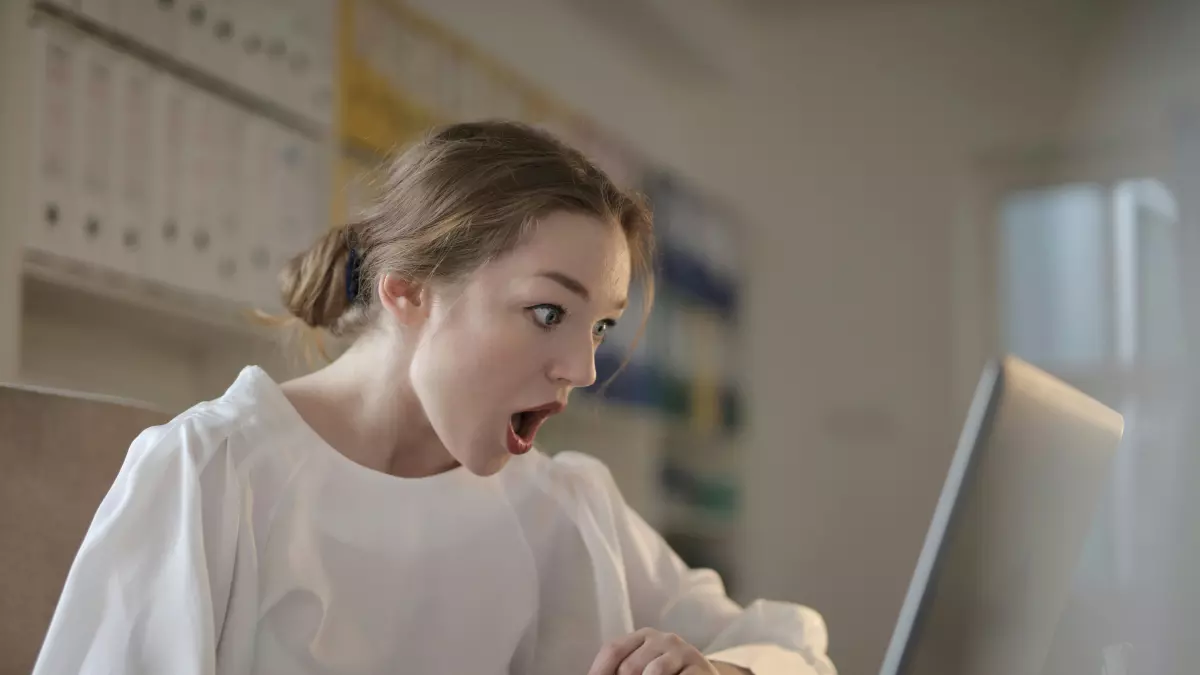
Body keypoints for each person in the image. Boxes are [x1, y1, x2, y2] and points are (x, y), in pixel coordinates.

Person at [32, 121, 835, 675]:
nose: (581, 370)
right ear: (409, 292)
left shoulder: (561, 501)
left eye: (600, 328)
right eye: (547, 313)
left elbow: (791, 648)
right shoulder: (212, 471)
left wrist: (717, 668)